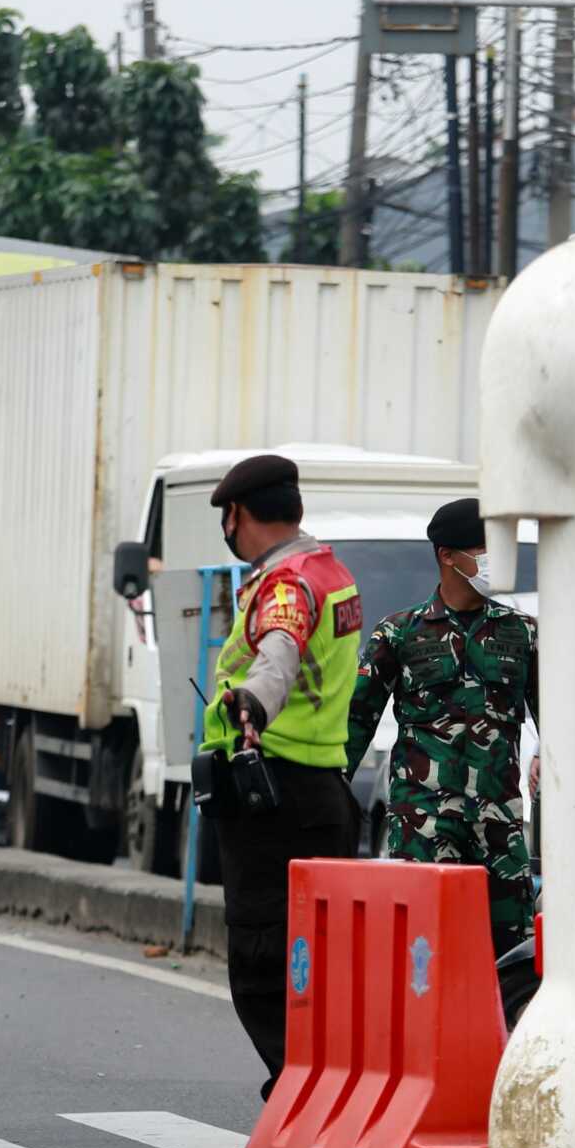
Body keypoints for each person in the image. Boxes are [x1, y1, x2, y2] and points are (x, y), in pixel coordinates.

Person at [200, 452, 363, 1108]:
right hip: (324, 794)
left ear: (238, 514)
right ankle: (313, 1112)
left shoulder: (288, 585)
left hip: (275, 801)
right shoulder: (331, 571)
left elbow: (279, 652)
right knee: (317, 974)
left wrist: (252, 704)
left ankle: (296, 1115)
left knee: (265, 971)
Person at [343, 496, 540, 958]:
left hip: (499, 823)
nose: (493, 559)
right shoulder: (399, 634)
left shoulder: (522, 633)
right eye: (481, 548)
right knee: (422, 947)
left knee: (512, 951)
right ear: (446, 555)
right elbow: (355, 724)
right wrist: (331, 803)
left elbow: (559, 724)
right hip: (424, 824)